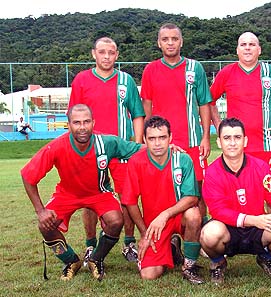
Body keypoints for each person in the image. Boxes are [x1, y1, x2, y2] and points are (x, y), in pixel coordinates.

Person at [21, 104, 142, 281]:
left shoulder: (106, 142)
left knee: (116, 221)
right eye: (76, 122)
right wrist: (41, 211)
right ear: (68, 125)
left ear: (93, 122)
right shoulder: (56, 146)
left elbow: (135, 149)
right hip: (67, 194)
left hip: (99, 193)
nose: (82, 127)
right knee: (44, 226)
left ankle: (96, 259)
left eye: (86, 122)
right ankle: (71, 261)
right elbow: (28, 176)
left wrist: (167, 148)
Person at [69, 36, 145, 263]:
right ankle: (91, 245)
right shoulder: (82, 80)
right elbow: (74, 116)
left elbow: (138, 114)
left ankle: (129, 243)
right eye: (102, 52)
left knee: (127, 197)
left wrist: (137, 146)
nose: (106, 56)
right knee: (90, 198)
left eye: (111, 52)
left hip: (121, 151)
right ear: (94, 54)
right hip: (91, 151)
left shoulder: (126, 81)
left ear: (117, 55)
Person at [200, 118, 271, 285]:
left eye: (237, 137)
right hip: (228, 228)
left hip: (258, 230)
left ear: (245, 141)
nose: (232, 143)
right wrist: (252, 219)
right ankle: (218, 262)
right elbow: (218, 210)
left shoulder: (260, 167)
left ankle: (266, 257)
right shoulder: (212, 172)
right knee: (209, 234)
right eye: (227, 138)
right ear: (219, 141)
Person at [140, 23, 212, 226]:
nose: (170, 43)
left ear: (181, 41)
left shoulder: (194, 68)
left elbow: (204, 103)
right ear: (159, 43)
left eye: (174, 38)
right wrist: (146, 140)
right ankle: (170, 234)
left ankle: (202, 231)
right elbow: (146, 106)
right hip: (161, 144)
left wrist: (205, 137)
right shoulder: (151, 69)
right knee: (165, 189)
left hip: (192, 141)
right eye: (165, 39)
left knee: (198, 188)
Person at [121, 116, 204, 284]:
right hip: (155, 226)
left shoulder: (182, 159)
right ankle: (171, 249)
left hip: (179, 218)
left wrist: (165, 214)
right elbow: (129, 201)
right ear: (145, 139)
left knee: (194, 214)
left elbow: (192, 197)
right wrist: (144, 233)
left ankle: (189, 266)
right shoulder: (136, 162)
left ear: (170, 138)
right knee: (149, 274)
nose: (157, 143)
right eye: (152, 138)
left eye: (162, 137)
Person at [210, 32, 271, 164]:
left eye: (252, 44)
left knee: (270, 184)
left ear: (259, 50)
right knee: (239, 185)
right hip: (236, 146)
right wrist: (219, 125)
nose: (247, 48)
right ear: (237, 50)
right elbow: (209, 101)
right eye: (243, 45)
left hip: (267, 146)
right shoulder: (226, 72)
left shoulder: (270, 72)